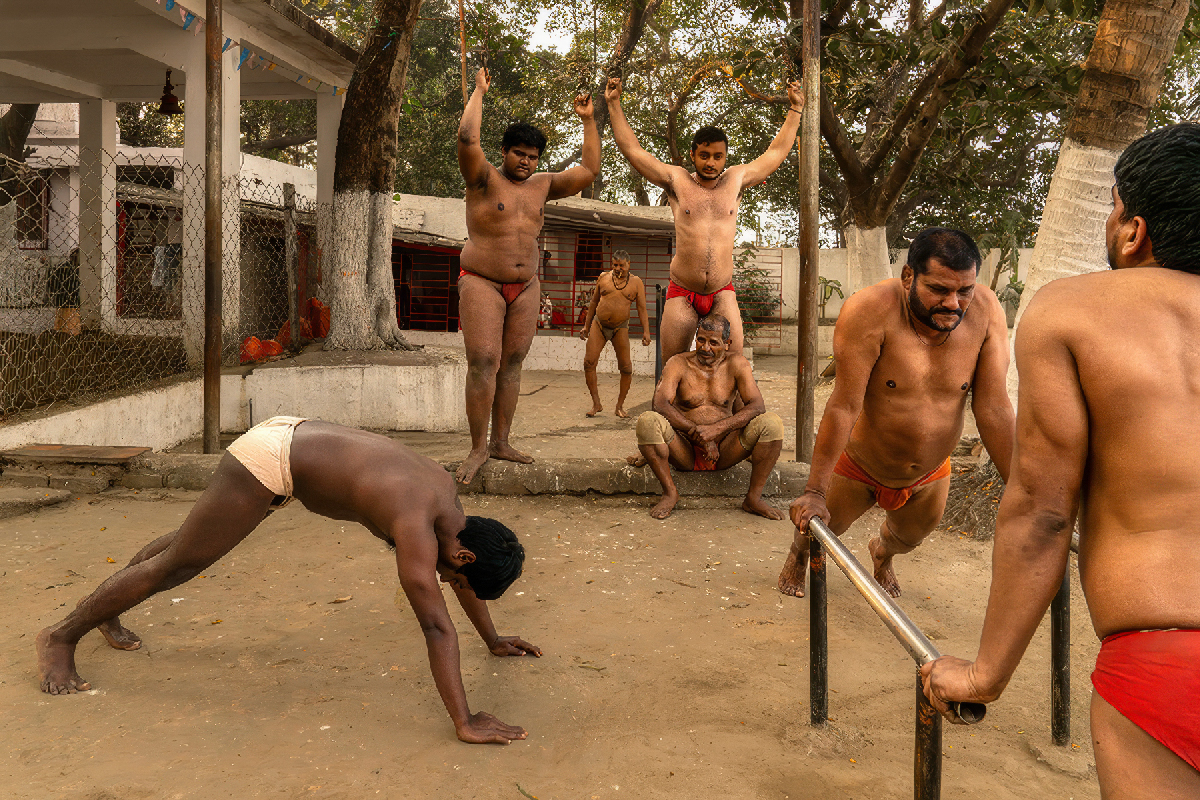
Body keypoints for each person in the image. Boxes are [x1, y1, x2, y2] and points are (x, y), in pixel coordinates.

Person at [922, 124, 1200, 797]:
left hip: (1168, 652)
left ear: (1134, 230)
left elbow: (1043, 512)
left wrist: (986, 674)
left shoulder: (1075, 310)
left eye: (1112, 206)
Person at [36, 418, 540, 745]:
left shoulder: (449, 508)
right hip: (273, 459)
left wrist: (493, 640)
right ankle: (61, 636)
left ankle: (111, 608)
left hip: (296, 441)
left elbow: (459, 583)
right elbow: (436, 627)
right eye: (454, 574)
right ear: (463, 553)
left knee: (186, 544)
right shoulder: (417, 526)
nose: (446, 578)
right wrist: (464, 719)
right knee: (181, 564)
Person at [781, 227, 1015, 598]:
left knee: (907, 539)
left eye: (964, 290)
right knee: (815, 531)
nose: (953, 303)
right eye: (939, 289)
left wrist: (1021, 490)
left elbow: (994, 407)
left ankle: (882, 554)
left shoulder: (986, 314)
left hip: (929, 472)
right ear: (908, 277)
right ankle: (797, 556)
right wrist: (814, 491)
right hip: (860, 463)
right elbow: (844, 405)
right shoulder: (870, 310)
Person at [456, 67, 601, 484]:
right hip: (482, 280)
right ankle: (478, 448)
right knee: (483, 360)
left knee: (514, 364)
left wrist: (589, 120)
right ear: (504, 151)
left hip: (527, 287)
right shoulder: (481, 178)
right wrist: (479, 92)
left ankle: (501, 442)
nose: (526, 161)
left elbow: (589, 170)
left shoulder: (543, 185)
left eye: (533, 156)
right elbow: (467, 139)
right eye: (519, 153)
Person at [605, 75, 804, 364]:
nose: (711, 163)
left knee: (734, 363)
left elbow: (774, 153)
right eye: (704, 155)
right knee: (673, 364)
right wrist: (613, 103)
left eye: (718, 156)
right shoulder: (677, 180)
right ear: (693, 155)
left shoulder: (736, 180)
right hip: (682, 291)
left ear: (725, 158)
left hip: (722, 291)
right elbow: (633, 150)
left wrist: (795, 109)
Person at [631, 313, 785, 520]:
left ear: (727, 343)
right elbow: (660, 404)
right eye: (701, 340)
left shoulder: (737, 364)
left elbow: (757, 406)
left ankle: (753, 499)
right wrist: (698, 434)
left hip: (725, 450)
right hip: (684, 449)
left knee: (772, 424)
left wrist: (715, 431)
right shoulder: (678, 363)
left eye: (714, 342)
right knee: (647, 421)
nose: (705, 348)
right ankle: (670, 492)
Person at [579, 250, 651, 418]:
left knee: (626, 368)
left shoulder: (636, 283)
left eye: (622, 265)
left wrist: (646, 331)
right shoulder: (603, 277)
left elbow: (641, 308)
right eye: (615, 265)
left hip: (620, 327)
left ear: (629, 265)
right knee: (589, 363)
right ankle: (596, 403)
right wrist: (586, 326)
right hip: (599, 324)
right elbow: (594, 301)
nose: (618, 268)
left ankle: (619, 406)